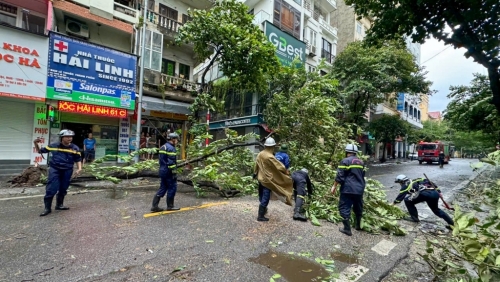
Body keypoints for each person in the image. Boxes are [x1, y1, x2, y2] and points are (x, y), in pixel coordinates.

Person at [33, 130, 82, 216]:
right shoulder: (53, 146)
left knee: (63, 188)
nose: (69, 138)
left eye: (71, 137)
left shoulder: (75, 148)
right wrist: (35, 143)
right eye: (67, 137)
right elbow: (40, 151)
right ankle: (47, 208)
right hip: (55, 169)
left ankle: (59, 205)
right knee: (52, 188)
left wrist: (79, 168)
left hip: (67, 170)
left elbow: (78, 159)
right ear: (62, 137)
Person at [253, 137, 294, 222]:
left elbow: (256, 164)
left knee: (261, 194)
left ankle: (263, 211)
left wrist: (255, 173)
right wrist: (286, 172)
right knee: (266, 196)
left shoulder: (260, 154)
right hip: (267, 180)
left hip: (260, 178)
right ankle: (260, 216)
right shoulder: (270, 156)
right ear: (273, 146)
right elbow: (280, 166)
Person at [331, 144, 366, 236]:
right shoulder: (361, 162)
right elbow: (363, 175)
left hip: (348, 189)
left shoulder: (345, 161)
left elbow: (340, 176)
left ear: (347, 152)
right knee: (358, 207)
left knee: (344, 207)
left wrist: (334, 186)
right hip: (359, 189)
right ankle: (358, 225)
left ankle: (347, 229)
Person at [151, 133, 181, 212]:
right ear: (173, 139)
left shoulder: (163, 147)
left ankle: (154, 206)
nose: (177, 141)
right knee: (172, 187)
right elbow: (171, 163)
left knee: (163, 188)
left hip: (162, 170)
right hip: (168, 172)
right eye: (177, 139)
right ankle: (170, 206)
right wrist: (174, 172)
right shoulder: (171, 148)